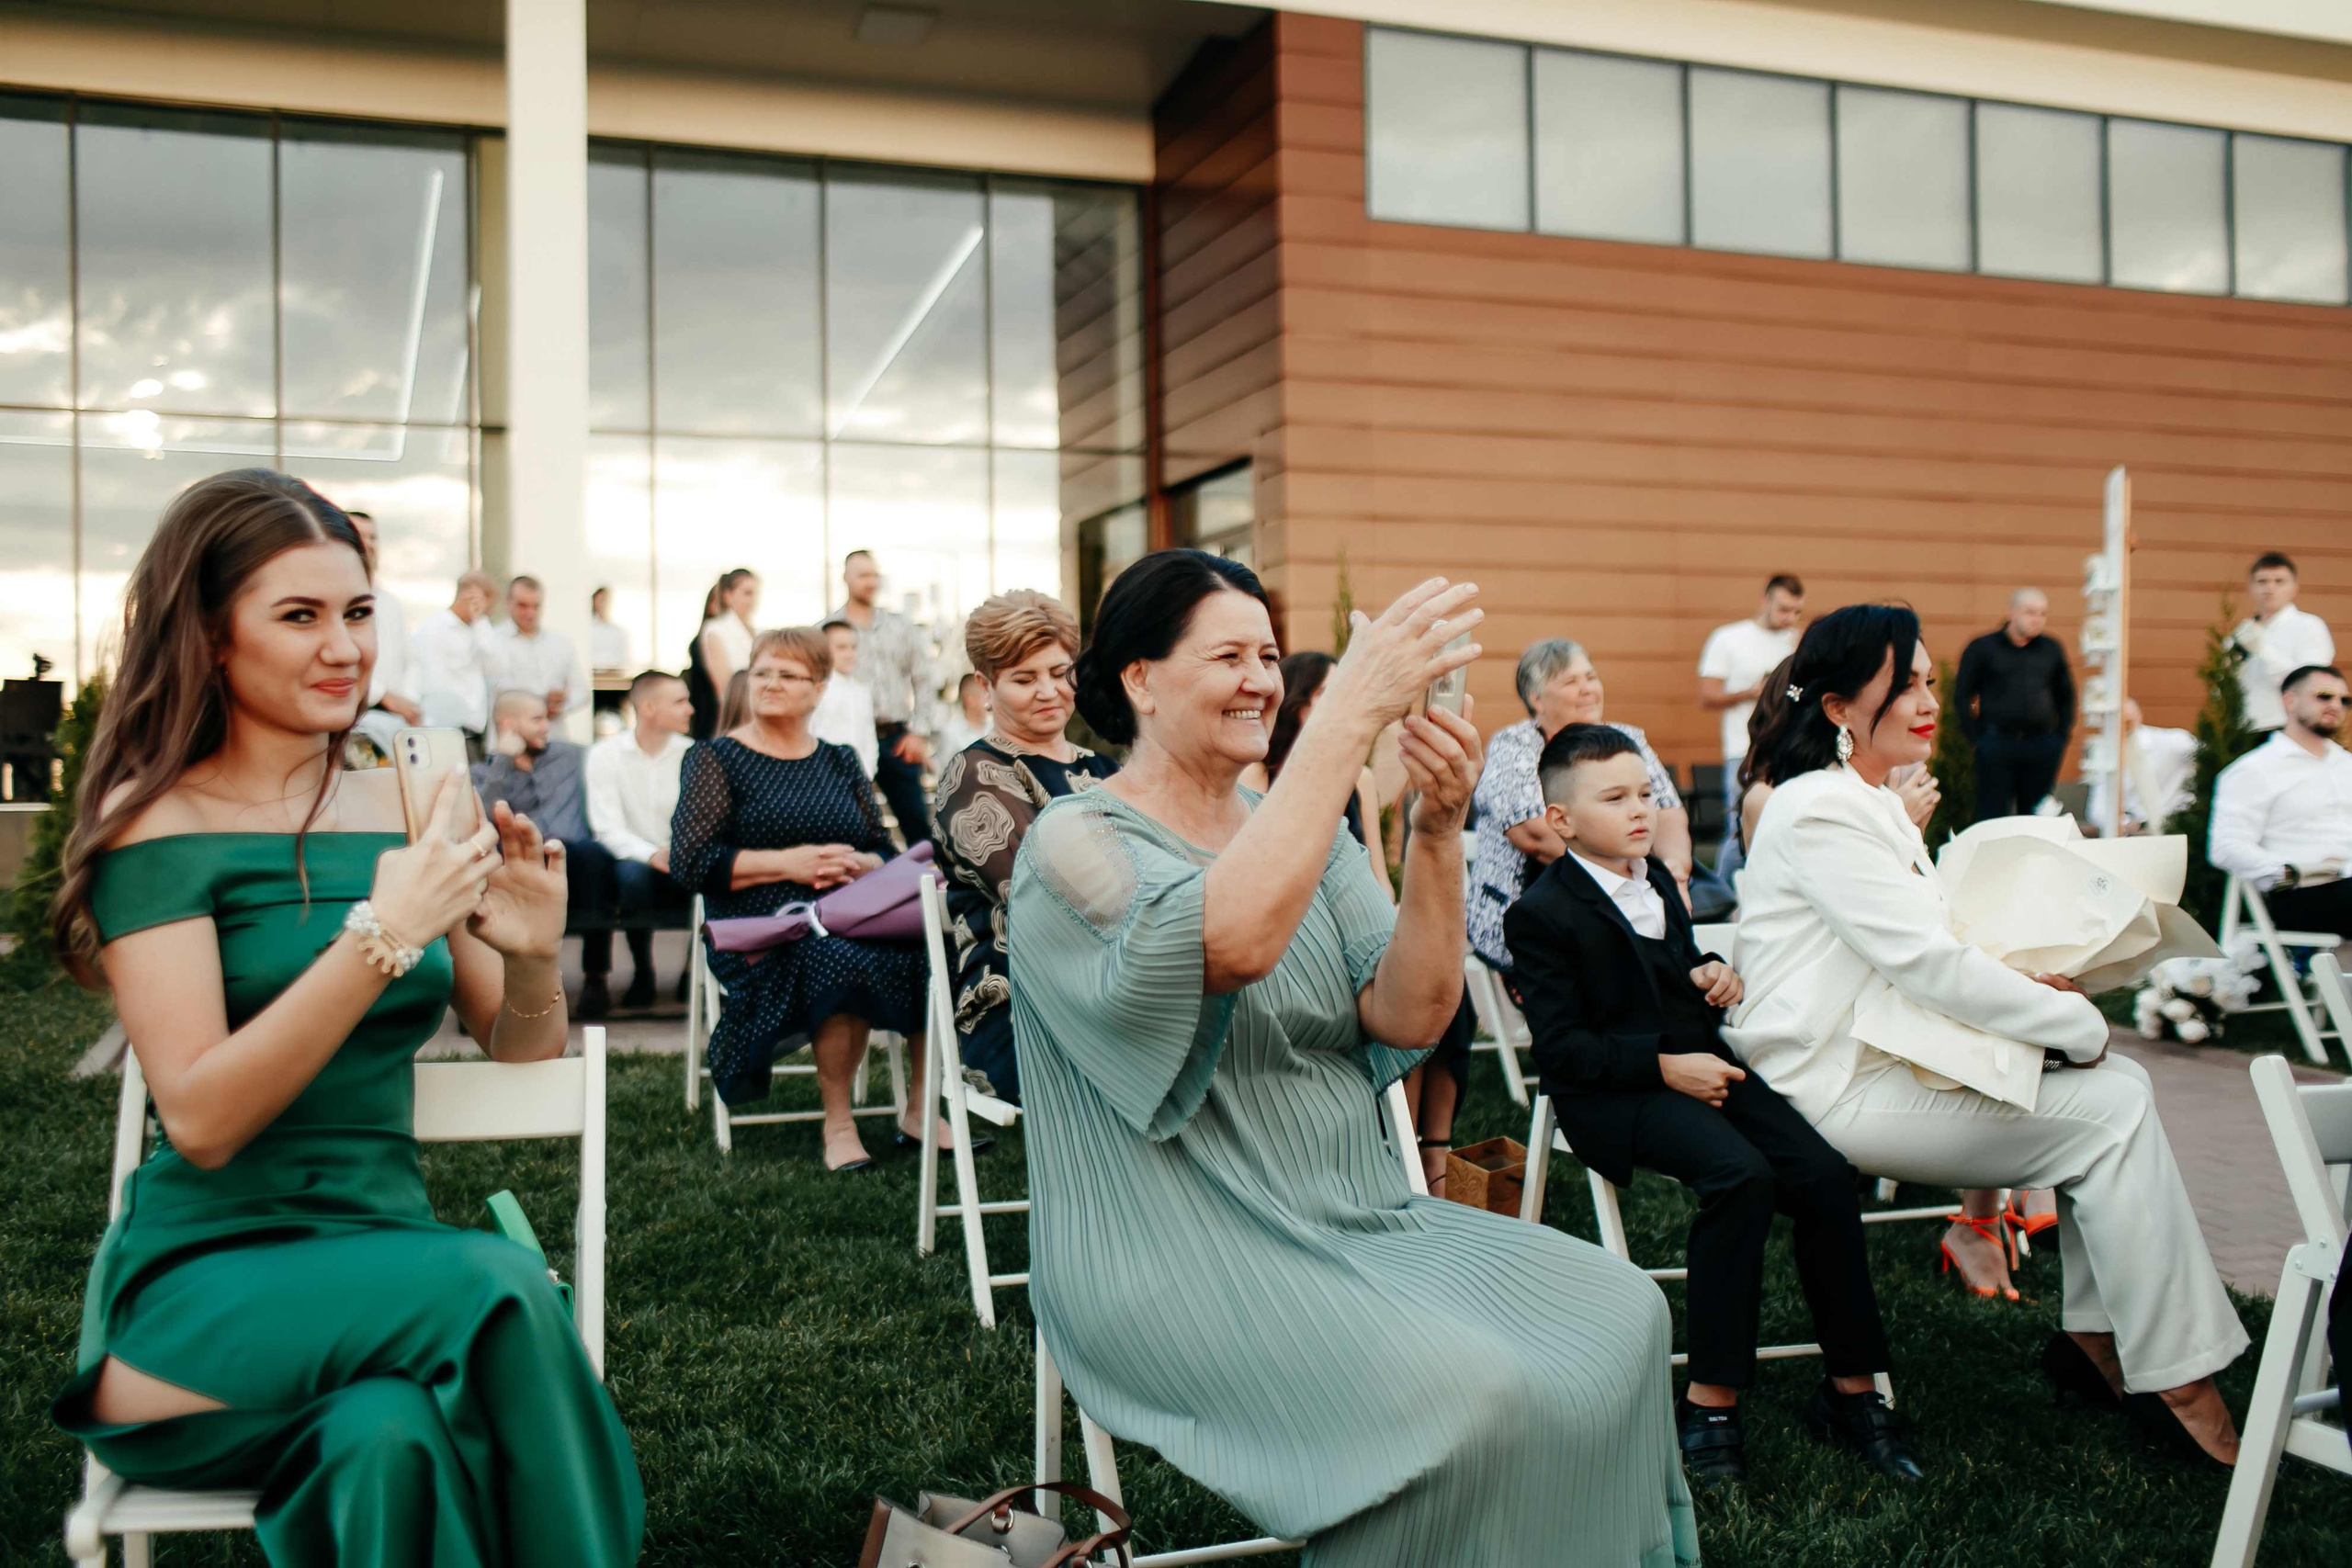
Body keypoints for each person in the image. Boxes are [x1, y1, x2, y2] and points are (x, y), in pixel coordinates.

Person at [1008, 553, 1696, 1566]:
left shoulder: (1312, 839)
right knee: (1478, 1395)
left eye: (1271, 655)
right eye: (1229, 655)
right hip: (1171, 1253)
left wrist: (1435, 830)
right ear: (1138, 679)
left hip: (1353, 1212)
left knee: (1623, 1313)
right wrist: (1343, 725)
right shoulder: (1073, 841)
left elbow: (1412, 1011)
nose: (1260, 679)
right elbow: (1228, 941)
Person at [45, 468, 640, 1566]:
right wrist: (381, 934)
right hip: (204, 1306)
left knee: (388, 1439)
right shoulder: (156, 833)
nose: (344, 648)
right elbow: (205, 1118)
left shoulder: (417, 801)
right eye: (300, 616)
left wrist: (526, 957)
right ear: (212, 637)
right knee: (503, 1285)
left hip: (384, 1267)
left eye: (359, 612)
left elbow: (523, 1050)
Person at [1726, 603, 2247, 1466]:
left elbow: (1943, 945)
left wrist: (2035, 987)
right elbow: (1929, 964)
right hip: (1830, 1085)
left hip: (1888, 1054)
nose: (1931, 699)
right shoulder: (1818, 812)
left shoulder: (1868, 804)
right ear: (1839, 709)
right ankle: (2180, 1379)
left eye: (1932, 680)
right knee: (2112, 1113)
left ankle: (2097, 1342)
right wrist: (2074, 1023)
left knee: (2122, 1094)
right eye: (1908, 684)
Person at [1506, 723, 1917, 1486]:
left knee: (1828, 1175)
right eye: (1615, 797)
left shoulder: (1657, 879)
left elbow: (1671, 964)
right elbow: (1561, 1051)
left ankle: (1852, 1388)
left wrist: (1709, 971)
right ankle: (1711, 1402)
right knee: (1741, 1177)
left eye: (1644, 794)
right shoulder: (1542, 912)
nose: (1640, 809)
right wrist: (1665, 1068)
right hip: (1615, 1091)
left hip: (1704, 1067)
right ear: (1560, 820)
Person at [669, 626, 944, 1170]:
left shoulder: (840, 760)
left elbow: (879, 849)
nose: (770, 684)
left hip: (849, 913)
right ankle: (838, 1124)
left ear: (819, 688)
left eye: (788, 675)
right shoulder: (715, 758)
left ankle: (920, 1109)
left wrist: (865, 863)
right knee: (836, 959)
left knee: (925, 951)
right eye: (763, 671)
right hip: (764, 926)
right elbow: (692, 862)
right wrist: (791, 862)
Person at [1244, 650, 1471, 1195]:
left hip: (1359, 913)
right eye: (1324, 695)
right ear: (1298, 706)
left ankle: (1424, 1145)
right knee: (1385, 1001)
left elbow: (1373, 867)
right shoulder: (1260, 773)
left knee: (1447, 1001)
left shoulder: (1360, 778)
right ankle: (1399, 1148)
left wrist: (1395, 924)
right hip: (1297, 924)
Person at [932, 591, 1117, 1105]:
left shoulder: (1103, 770)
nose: (1049, 691)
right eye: (1024, 678)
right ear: (985, 688)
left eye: (1060, 673)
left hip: (1118, 980)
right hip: (1020, 1006)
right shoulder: (974, 777)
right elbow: (1050, 896)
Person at [1467, 637, 1690, 975]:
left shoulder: (1626, 737)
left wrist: (1674, 873)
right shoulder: (1514, 746)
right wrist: (1630, 878)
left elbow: (1668, 810)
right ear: (1536, 698)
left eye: (1591, 677)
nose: (1587, 689)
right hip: (1529, 909)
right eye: (1571, 682)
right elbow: (1537, 837)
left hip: (1630, 892)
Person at [471, 689, 623, 1020]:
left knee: (593, 853)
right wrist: (503, 762)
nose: (546, 728)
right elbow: (484, 819)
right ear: (508, 724)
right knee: (491, 863)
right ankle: (489, 989)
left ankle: (595, 979)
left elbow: (619, 758)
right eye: (537, 719)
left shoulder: (572, 756)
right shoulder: (483, 773)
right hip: (520, 865)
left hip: (577, 862)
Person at [2209, 664, 2352, 937]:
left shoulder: (2347, 765)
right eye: (2324, 696)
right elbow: (2226, 847)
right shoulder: (2254, 769)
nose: (2336, 705)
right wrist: (2293, 871)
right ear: (2290, 700)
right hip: (2304, 894)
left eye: (2344, 700)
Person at [586, 669, 695, 1009]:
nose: (690, 709)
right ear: (648, 708)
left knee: (713, 872)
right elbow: (606, 828)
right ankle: (642, 970)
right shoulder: (605, 754)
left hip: (685, 856)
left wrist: (678, 852)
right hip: (632, 859)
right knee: (630, 877)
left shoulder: (693, 753)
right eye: (680, 701)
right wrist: (651, 854)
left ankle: (693, 973)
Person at [831, 549, 935, 847]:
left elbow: (924, 680)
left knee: (917, 825)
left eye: (874, 575)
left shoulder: (900, 626)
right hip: (846, 741)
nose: (870, 581)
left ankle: (927, 889)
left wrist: (920, 732)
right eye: (863, 575)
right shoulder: (829, 630)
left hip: (896, 740)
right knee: (849, 825)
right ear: (846, 579)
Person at [1954, 587, 2075, 821]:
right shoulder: (1982, 648)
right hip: (1996, 745)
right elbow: (1963, 696)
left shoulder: (2052, 649)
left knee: (2039, 817)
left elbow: (2066, 696)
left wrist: (2060, 737)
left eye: (2042, 614)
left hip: (2041, 747)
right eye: (2030, 612)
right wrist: (1977, 739)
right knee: (1993, 816)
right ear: (2012, 612)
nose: (2037, 619)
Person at [1698, 574, 1804, 817]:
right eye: (1784, 609)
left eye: (1797, 611)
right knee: (1739, 825)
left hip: (1788, 749)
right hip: (1743, 749)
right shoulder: (1729, 638)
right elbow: (1707, 696)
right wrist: (1751, 693)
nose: (1790, 618)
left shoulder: (1797, 642)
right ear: (1764, 601)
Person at [343, 510, 422, 760]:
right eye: (359, 536)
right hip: (353, 725)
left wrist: (407, 702)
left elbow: (411, 661)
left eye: (373, 537)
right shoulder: (334, 600)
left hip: (396, 726)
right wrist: (382, 695)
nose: (368, 544)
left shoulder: (389, 603)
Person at [2233, 553, 2335, 734]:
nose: (2269, 588)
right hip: (2241, 730)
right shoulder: (2242, 632)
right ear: (2250, 588)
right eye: (2262, 581)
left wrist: (2263, 649)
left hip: (2286, 728)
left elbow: (2310, 685)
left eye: (2279, 581)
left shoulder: (2309, 626)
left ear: (2294, 588)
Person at [408, 569, 501, 752]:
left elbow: (498, 668)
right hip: (444, 731)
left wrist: (480, 622)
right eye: (490, 603)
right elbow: (424, 680)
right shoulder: (434, 630)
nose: (491, 610)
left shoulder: (480, 629)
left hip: (475, 730)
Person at [2087, 698, 2198, 836]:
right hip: (2135, 830)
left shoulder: (2174, 742)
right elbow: (2097, 809)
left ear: (2138, 716)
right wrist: (2125, 823)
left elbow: (2209, 756)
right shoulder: (2105, 754)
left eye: (2127, 720)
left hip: (2178, 826)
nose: (2123, 725)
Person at [494, 574, 589, 724]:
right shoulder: (492, 642)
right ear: (508, 603)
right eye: (522, 605)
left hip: (553, 736)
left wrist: (561, 704)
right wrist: (541, 701)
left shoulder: (560, 643)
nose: (530, 613)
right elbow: (495, 691)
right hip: (510, 740)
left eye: (536, 606)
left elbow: (581, 692)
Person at [687, 568, 759, 740]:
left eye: (756, 593)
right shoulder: (716, 631)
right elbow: (724, 687)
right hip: (733, 719)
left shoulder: (757, 632)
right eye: (747, 593)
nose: (754, 600)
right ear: (728, 596)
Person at [809, 616, 880, 776]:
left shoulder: (861, 691)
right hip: (825, 777)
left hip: (860, 777)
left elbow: (868, 737)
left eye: (853, 647)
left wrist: (868, 773)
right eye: (841, 648)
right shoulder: (816, 690)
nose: (849, 654)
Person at [588, 585, 631, 726]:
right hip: (595, 684)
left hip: (614, 684)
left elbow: (624, 659)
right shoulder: (588, 630)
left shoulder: (618, 631)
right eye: (600, 600)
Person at [936, 671, 989, 758]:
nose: (989, 701)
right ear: (971, 699)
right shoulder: (952, 732)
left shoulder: (993, 729)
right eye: (985, 696)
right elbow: (944, 767)